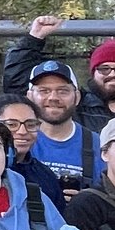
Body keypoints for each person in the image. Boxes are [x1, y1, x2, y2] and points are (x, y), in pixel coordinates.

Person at [4, 15, 115, 128]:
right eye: (104, 69)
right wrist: (34, 38)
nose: (112, 74)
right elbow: (16, 86)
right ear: (94, 73)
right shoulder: (74, 105)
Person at [19, 58, 99, 194]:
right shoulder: (16, 142)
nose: (53, 98)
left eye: (63, 91)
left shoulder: (98, 144)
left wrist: (87, 202)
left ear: (77, 97)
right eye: (44, 91)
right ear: (30, 97)